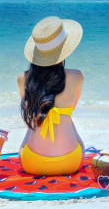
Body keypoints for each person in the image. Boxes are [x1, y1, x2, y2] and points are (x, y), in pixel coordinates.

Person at [18, 16, 85, 176]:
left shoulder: (23, 79)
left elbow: (29, 117)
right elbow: (71, 110)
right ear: (65, 48)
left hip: (32, 164)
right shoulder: (77, 76)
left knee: (34, 121)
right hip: (71, 162)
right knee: (67, 118)